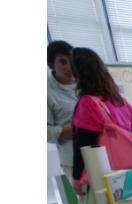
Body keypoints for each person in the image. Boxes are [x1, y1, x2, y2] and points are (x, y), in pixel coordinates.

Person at [69, 47, 132, 193]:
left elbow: (84, 144)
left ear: (77, 72)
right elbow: (131, 130)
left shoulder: (88, 103)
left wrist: (77, 177)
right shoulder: (120, 101)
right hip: (131, 170)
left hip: (107, 175)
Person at [47, 40, 78, 178]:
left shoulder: (86, 82)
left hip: (104, 151)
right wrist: (78, 130)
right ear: (52, 64)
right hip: (74, 159)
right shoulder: (47, 92)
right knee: (90, 199)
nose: (69, 67)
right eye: (63, 62)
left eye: (71, 61)